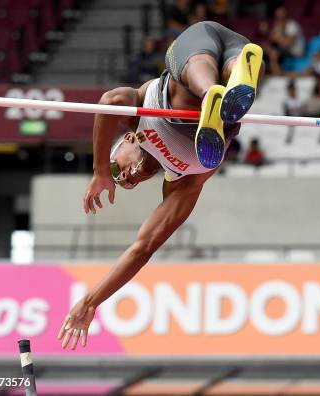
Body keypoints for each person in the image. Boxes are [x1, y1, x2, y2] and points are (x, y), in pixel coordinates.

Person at [57, 21, 264, 350]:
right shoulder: (180, 184)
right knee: (210, 121)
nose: (124, 177)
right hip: (230, 72)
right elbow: (142, 248)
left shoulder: (136, 116)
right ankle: (239, 75)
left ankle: (213, 93)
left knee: (179, 96)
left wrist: (100, 172)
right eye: (125, 182)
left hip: (194, 52)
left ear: (126, 140)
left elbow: (109, 101)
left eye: (119, 167)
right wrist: (91, 301)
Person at [266, 6, 305, 75]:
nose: (280, 17)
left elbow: (287, 44)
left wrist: (276, 37)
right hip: (284, 50)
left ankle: (277, 74)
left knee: (273, 53)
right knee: (265, 48)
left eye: (281, 15)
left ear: (285, 15)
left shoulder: (292, 25)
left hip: (295, 51)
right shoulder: (277, 25)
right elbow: (271, 40)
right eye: (278, 15)